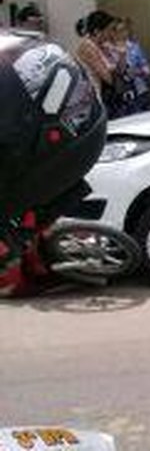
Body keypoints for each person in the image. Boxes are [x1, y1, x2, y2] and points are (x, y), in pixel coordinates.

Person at [1, 28, 107, 296]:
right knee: (27, 213)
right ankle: (36, 265)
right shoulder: (17, 46)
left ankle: (12, 279)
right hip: (87, 128)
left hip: (52, 145)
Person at [73, 10, 118, 97]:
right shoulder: (87, 47)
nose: (111, 34)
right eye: (109, 30)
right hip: (90, 94)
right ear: (97, 31)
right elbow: (109, 78)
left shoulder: (102, 46)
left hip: (99, 92)